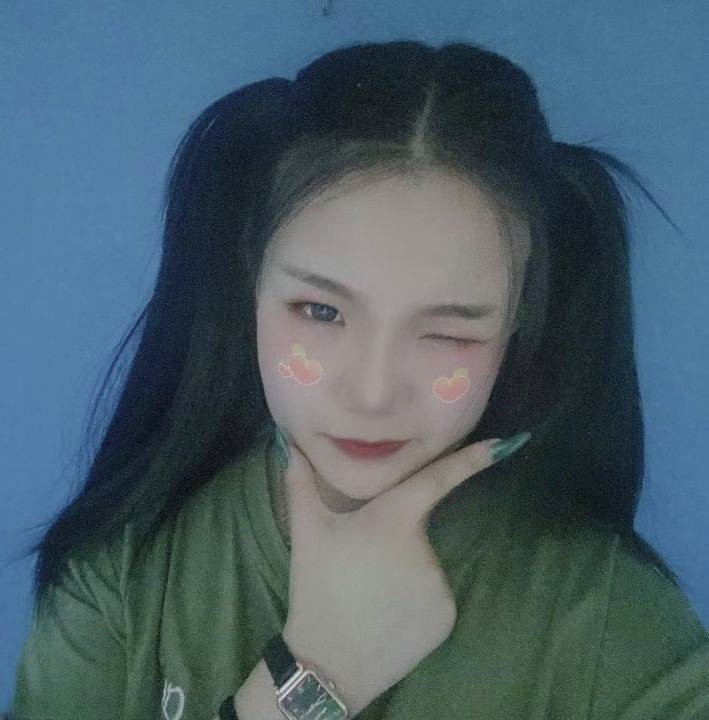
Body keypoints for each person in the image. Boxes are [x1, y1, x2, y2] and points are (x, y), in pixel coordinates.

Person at [8, 39, 709, 720]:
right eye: (320, 311)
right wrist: (313, 678)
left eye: (449, 332)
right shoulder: (124, 574)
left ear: (519, 321)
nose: (372, 395)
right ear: (249, 286)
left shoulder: (615, 625)